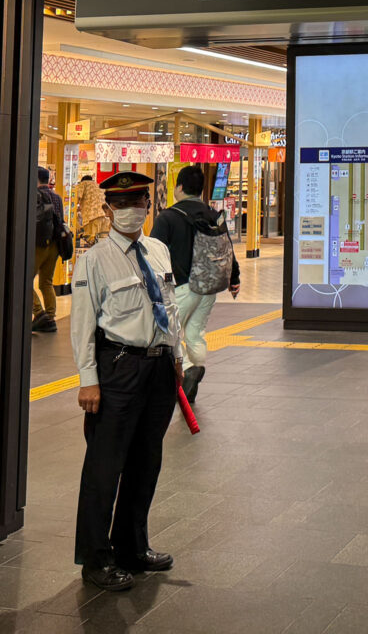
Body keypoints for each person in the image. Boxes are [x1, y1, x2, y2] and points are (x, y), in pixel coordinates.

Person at [71, 171, 183, 592]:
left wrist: (177, 357)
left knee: (145, 462)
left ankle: (133, 547)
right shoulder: (94, 259)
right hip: (117, 368)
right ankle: (96, 560)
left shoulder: (158, 251)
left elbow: (169, 308)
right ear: (106, 210)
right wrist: (88, 380)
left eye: (137, 201)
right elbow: (82, 323)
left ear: (149, 206)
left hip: (158, 368)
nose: (130, 209)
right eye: (120, 203)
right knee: (105, 467)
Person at [151, 163, 240, 404]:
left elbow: (152, 252)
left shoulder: (168, 217)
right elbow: (227, 249)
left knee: (167, 331)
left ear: (179, 187)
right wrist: (234, 280)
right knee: (194, 332)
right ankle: (196, 368)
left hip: (181, 286)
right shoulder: (213, 214)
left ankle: (189, 368)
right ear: (200, 189)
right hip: (209, 287)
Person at [32, 167, 64, 333]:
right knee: (46, 282)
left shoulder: (35, 195)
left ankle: (39, 313)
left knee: (25, 280)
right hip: (55, 246)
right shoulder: (57, 197)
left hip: (39, 245)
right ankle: (51, 318)